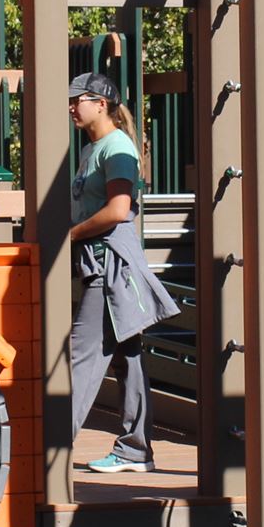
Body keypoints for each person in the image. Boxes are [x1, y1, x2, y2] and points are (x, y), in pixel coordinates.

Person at [63, 71, 177, 474]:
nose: (72, 107)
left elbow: (117, 210)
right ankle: (135, 449)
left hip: (112, 264)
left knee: (81, 353)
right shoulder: (91, 149)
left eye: (79, 100)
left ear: (101, 103)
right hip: (100, 261)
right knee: (128, 356)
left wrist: (69, 235)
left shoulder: (117, 148)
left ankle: (49, 451)